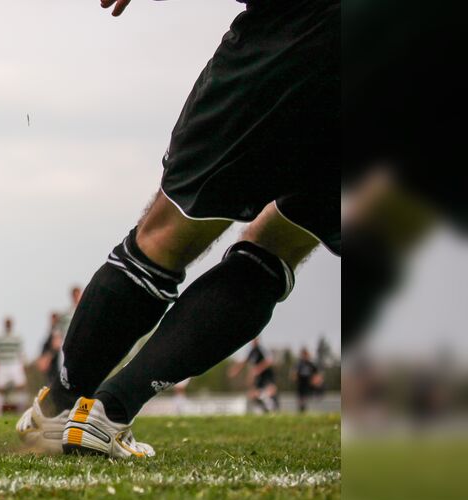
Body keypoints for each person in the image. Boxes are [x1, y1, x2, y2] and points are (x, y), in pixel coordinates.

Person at [18, 0, 337, 458]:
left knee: (165, 237)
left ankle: (59, 408)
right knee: (279, 246)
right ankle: (109, 412)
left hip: (294, 31)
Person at [229, 338, 279, 413]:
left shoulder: (262, 350)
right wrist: (236, 370)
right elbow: (244, 362)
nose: (253, 342)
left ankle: (274, 409)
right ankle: (265, 409)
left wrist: (258, 369)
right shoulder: (251, 352)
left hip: (267, 375)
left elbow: (269, 361)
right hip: (259, 377)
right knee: (252, 394)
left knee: (271, 391)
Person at [0, 317, 27, 417]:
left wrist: (22, 365)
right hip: (2, 364)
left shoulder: (17, 337)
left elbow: (21, 352)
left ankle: (21, 411)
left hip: (14, 364)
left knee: (21, 386)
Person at [293, 347, 322, 413]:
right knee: (301, 400)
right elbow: (294, 374)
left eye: (306, 354)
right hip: (301, 385)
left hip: (309, 385)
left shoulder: (311, 364)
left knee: (307, 399)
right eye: (303, 354)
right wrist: (295, 378)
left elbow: (317, 374)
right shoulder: (299, 364)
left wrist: (315, 381)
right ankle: (302, 410)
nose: (304, 356)